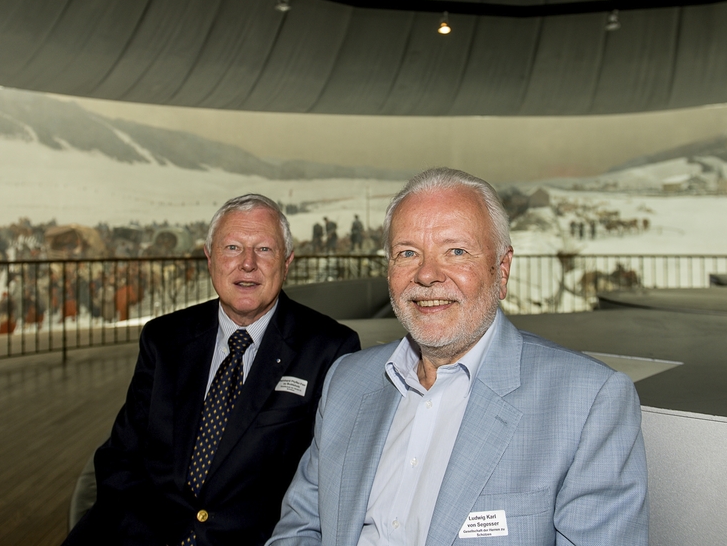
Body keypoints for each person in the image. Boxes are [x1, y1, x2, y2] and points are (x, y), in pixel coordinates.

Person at [268, 168, 648, 546]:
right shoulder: (347, 381)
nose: (428, 274)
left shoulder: (587, 402)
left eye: (457, 251)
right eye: (407, 253)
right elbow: (300, 530)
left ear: (501, 271)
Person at [65, 194, 360, 546]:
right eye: (232, 247)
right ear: (210, 258)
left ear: (287, 261)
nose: (247, 264)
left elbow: (329, 486)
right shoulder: (164, 339)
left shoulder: (329, 349)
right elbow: (121, 457)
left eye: (264, 249)